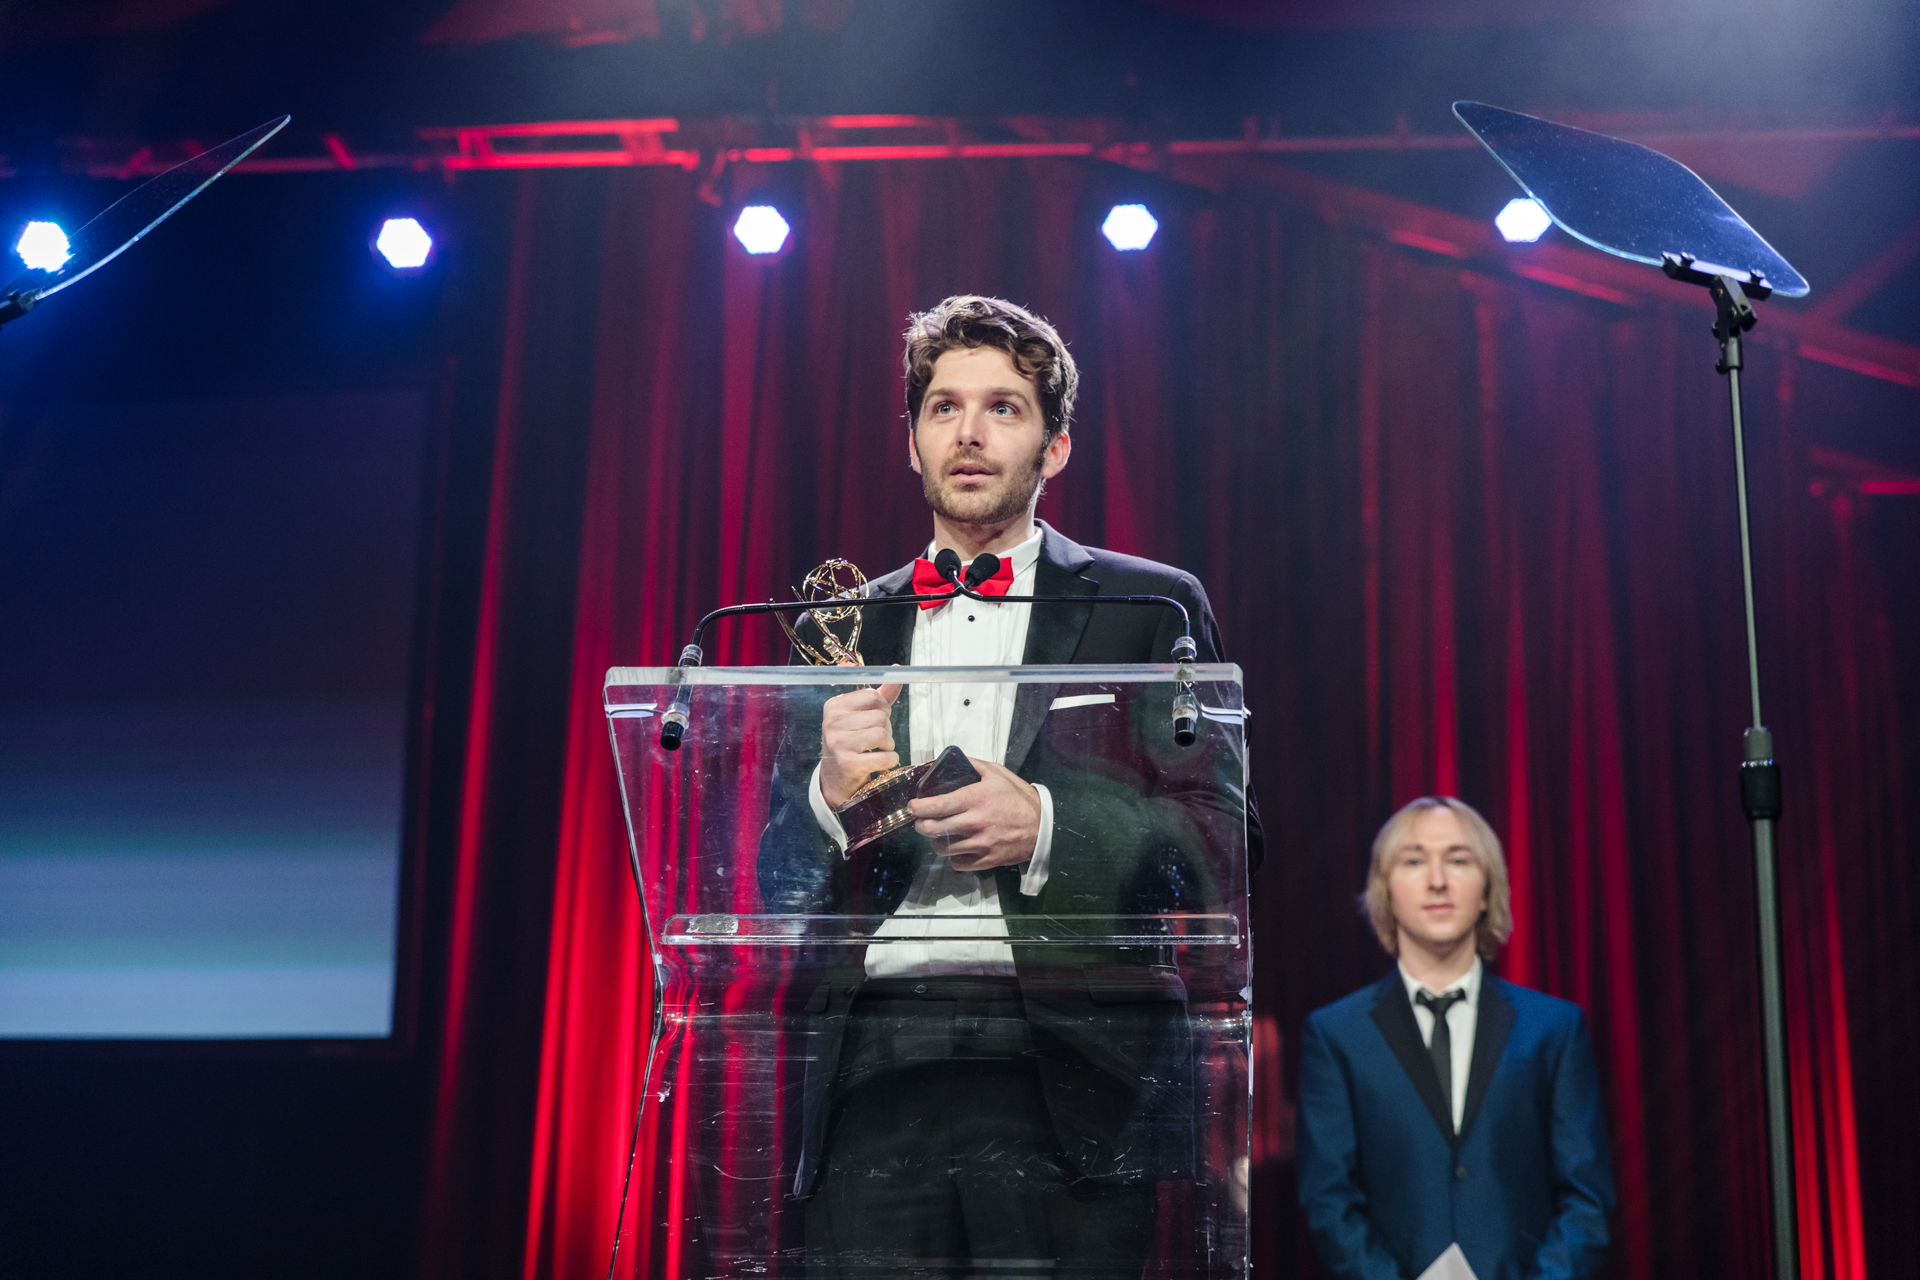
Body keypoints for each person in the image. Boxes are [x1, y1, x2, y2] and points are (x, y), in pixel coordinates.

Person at [756, 295, 1260, 1277]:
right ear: (911, 442)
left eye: (1004, 407)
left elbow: (1225, 840)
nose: (970, 432)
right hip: (875, 1073)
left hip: (1073, 1071)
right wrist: (826, 795)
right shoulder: (841, 626)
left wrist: (1048, 826)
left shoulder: (1150, 607)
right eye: (943, 407)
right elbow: (771, 878)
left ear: (1055, 446)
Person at [1295, 797, 1613, 1280]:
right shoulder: (1335, 1034)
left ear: (1487, 891)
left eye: (1459, 860)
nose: (1437, 880)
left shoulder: (1554, 1028)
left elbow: (1586, 1197)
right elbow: (1328, 1200)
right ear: (1385, 890)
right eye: (1414, 861)